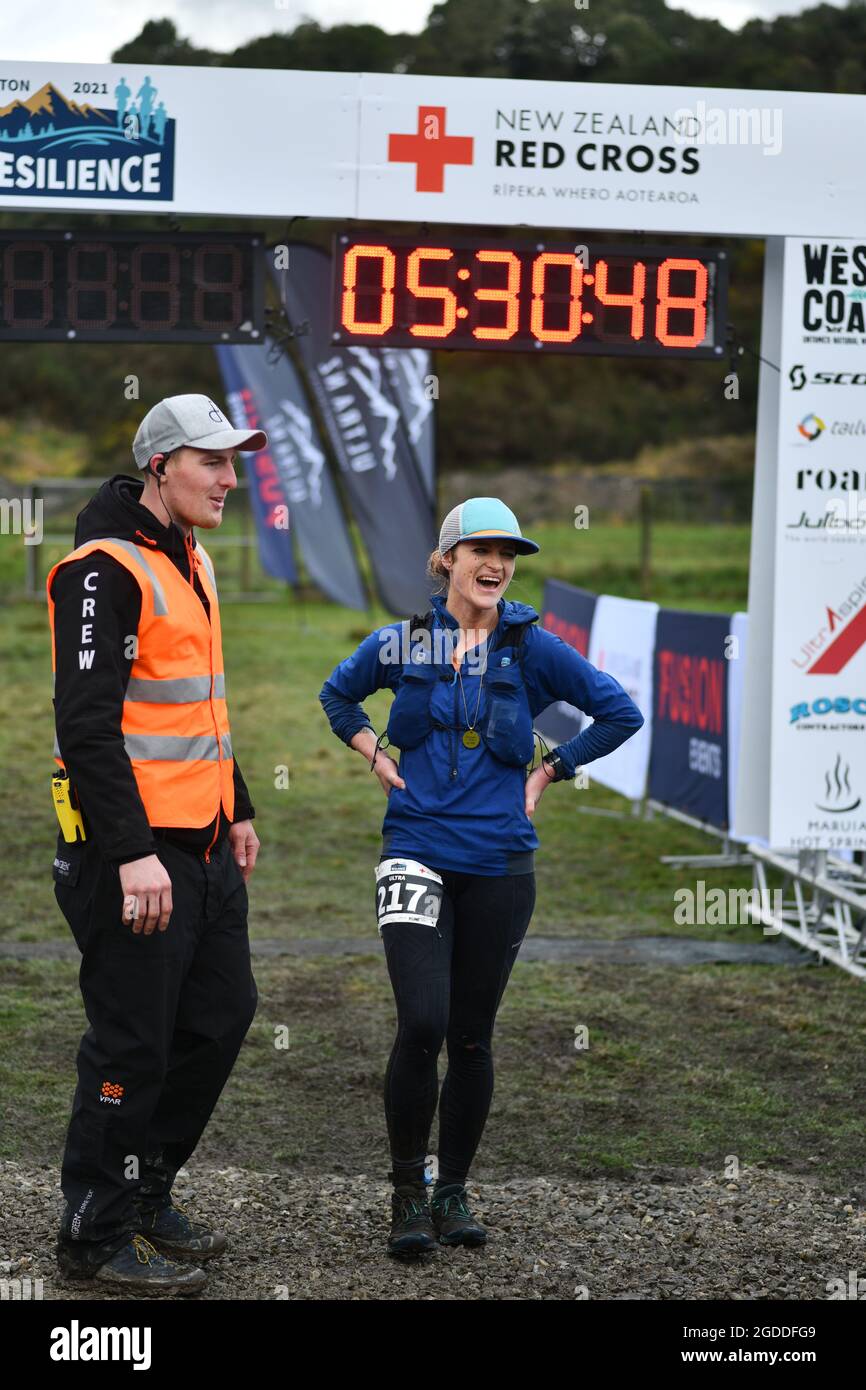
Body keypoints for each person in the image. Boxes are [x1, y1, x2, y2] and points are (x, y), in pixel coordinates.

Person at [319, 497, 644, 1256]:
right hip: (415, 849)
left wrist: (553, 769)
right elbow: (337, 694)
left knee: (470, 1038)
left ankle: (455, 1191)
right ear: (446, 562)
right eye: (481, 551)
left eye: (509, 554)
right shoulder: (400, 642)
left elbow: (619, 711)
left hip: (501, 862)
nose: (497, 565)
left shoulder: (532, 649)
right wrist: (374, 751)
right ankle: (407, 1194)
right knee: (423, 1022)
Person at [46, 395, 266, 1293]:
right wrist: (132, 851)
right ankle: (91, 1235)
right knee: (131, 1044)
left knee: (222, 1018)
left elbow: (199, 705)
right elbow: (87, 729)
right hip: (131, 857)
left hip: (206, 844)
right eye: (213, 461)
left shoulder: (195, 557)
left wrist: (239, 804)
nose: (230, 478)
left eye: (234, 461)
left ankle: (145, 1191)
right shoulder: (103, 570)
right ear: (162, 466)